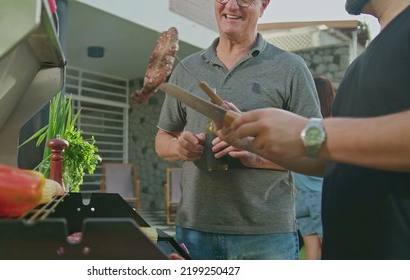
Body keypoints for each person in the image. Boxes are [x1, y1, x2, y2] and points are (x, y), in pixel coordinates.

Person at [215, 0, 410, 259]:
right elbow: (333, 161)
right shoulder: (363, 61)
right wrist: (253, 140)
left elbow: (317, 138)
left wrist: (310, 132)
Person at [154, 0, 322, 260]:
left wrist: (256, 155)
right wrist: (179, 147)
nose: (231, 5)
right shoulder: (187, 68)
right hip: (195, 231)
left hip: (266, 236)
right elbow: (162, 138)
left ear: (263, 5)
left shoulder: (291, 68)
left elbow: (314, 150)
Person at [294, 77, 336, 260]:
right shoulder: (330, 126)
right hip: (320, 194)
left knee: (313, 252)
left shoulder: (300, 125)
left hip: (300, 195)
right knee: (329, 251)